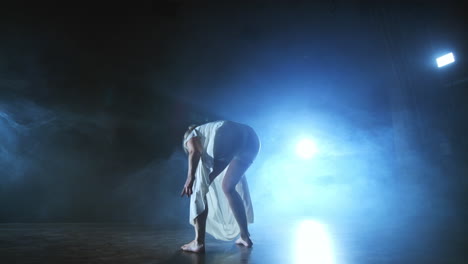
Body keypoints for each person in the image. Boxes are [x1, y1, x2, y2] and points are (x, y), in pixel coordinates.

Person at [180, 120, 260, 253]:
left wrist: (190, 177)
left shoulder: (191, 133)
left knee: (198, 189)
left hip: (229, 134)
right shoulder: (208, 130)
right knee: (228, 187)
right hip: (252, 138)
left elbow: (194, 151)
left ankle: (198, 243)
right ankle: (245, 237)